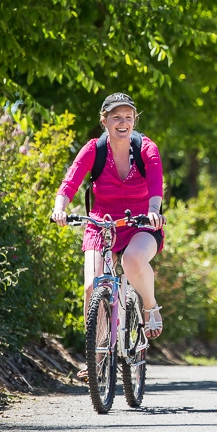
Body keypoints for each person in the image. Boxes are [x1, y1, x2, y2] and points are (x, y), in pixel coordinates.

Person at [51, 92, 166, 349]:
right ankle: (97, 356)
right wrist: (60, 208)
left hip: (141, 221)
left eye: (128, 117)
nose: (122, 122)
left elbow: (156, 183)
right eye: (116, 117)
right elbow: (70, 182)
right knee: (93, 287)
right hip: (101, 224)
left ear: (135, 120)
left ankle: (150, 305)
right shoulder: (94, 149)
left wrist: (153, 210)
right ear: (104, 121)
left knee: (131, 259)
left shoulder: (146, 148)